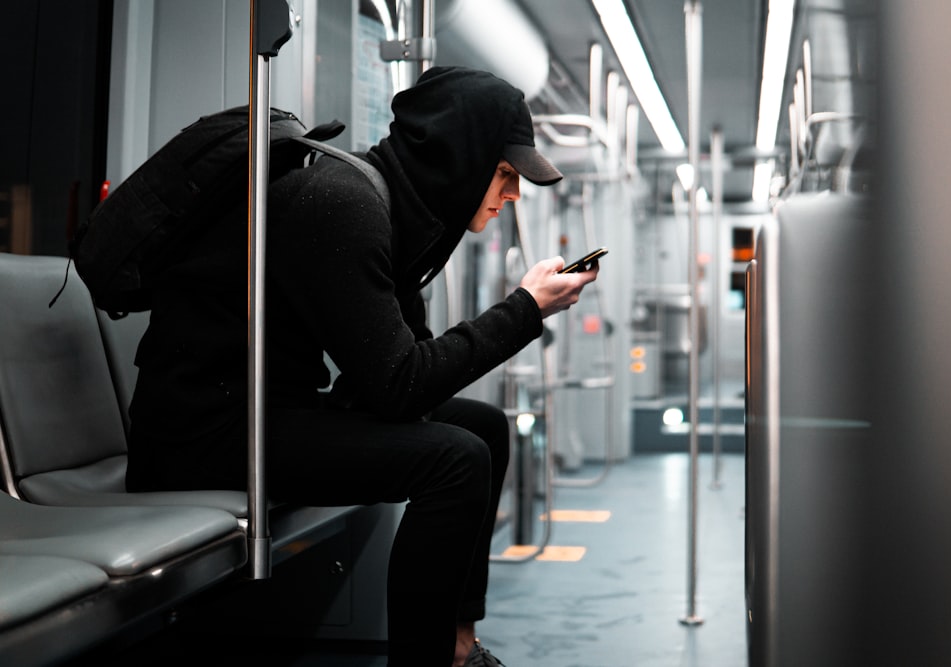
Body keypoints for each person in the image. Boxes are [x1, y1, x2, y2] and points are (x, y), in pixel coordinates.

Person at [125, 66, 599, 666]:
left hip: (265, 412)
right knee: (457, 460)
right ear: (456, 159)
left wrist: (516, 313)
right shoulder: (341, 204)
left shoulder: (390, 211)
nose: (512, 195)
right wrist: (524, 310)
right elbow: (401, 387)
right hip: (201, 433)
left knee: (484, 427)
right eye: (505, 175)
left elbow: (407, 377)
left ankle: (458, 644)